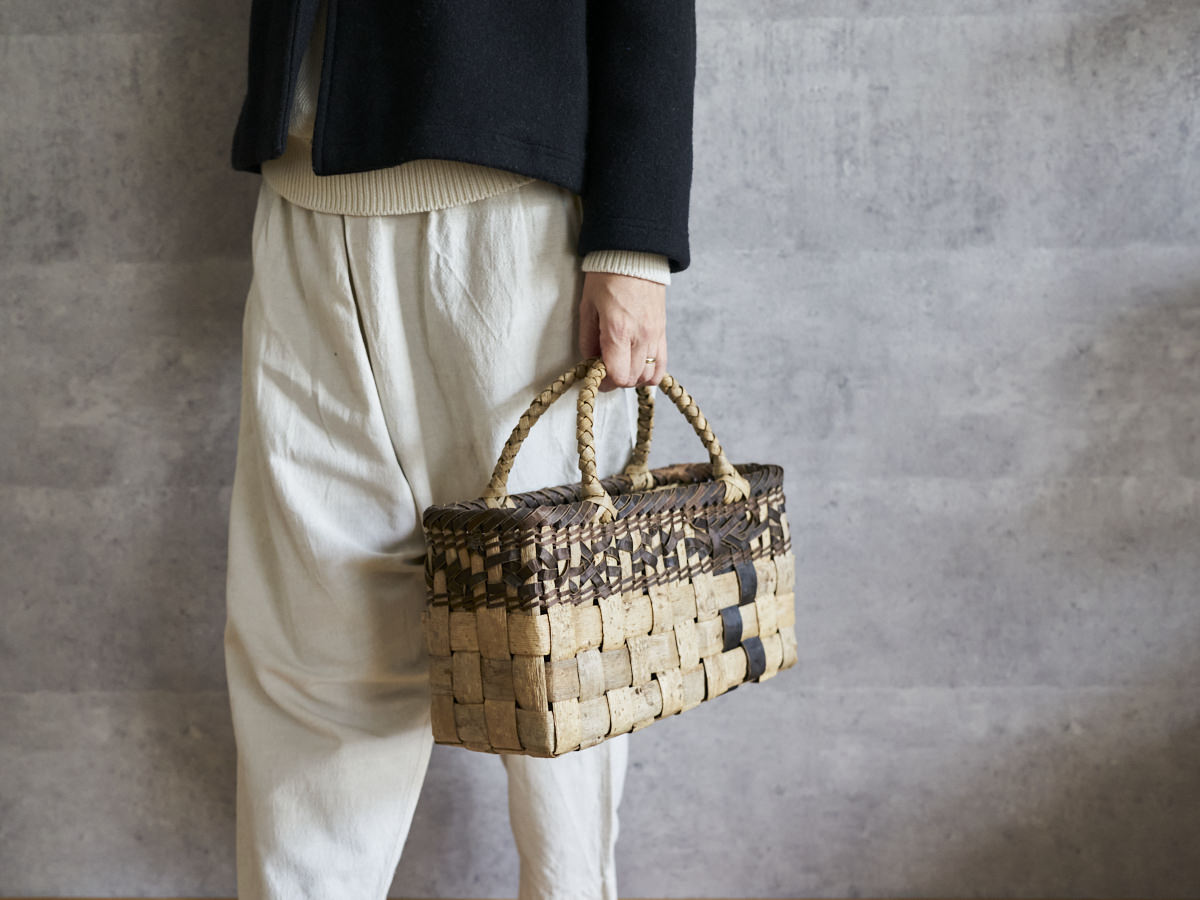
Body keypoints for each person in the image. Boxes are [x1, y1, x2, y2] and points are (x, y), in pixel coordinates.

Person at [222, 1, 696, 898]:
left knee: (559, 663)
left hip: (505, 227)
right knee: (306, 660)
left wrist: (635, 236)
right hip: (302, 199)